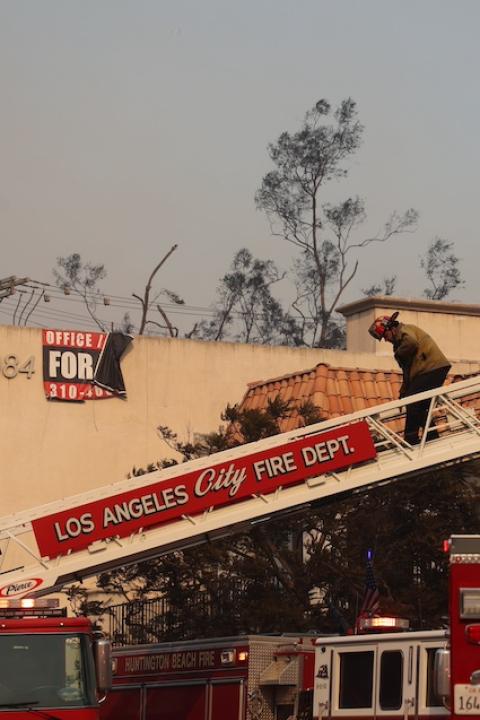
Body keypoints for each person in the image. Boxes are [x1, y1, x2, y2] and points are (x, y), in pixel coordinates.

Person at [368, 312, 451, 445]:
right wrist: (404, 390)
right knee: (420, 405)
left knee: (413, 402)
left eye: (385, 336)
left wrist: (398, 354)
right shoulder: (401, 339)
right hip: (430, 370)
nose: (386, 340)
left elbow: (411, 343)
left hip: (431, 368)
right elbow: (408, 372)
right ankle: (431, 435)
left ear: (391, 328)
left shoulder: (405, 332)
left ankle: (410, 438)